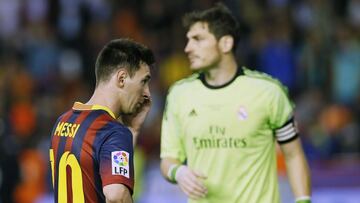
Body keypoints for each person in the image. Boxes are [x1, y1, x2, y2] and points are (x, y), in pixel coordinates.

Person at [160, 3, 311, 203]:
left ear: (225, 44)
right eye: (188, 40)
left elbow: (293, 155)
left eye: (197, 39)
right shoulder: (179, 94)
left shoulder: (268, 92)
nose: (188, 48)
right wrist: (178, 172)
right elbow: (168, 159)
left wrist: (303, 201)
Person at [49, 38, 155, 203]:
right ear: (121, 79)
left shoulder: (62, 121)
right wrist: (125, 133)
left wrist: (132, 131)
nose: (147, 93)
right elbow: (116, 196)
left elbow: (99, 173)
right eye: (144, 81)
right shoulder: (111, 131)